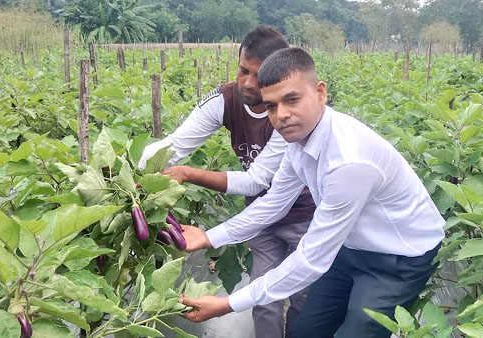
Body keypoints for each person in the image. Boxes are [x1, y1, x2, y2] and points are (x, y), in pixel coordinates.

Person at [177, 47, 446, 338]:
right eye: (271, 106)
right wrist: (209, 237)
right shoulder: (298, 142)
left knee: (357, 333)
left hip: (398, 258)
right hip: (350, 248)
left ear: (320, 92)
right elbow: (274, 204)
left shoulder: (348, 162)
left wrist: (228, 303)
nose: (282, 115)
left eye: (292, 99)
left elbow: (311, 260)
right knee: (307, 330)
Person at [137, 26, 314, 338]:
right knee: (264, 295)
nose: (246, 82)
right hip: (260, 218)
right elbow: (174, 146)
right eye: (242, 70)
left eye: (257, 76)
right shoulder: (223, 100)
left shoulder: (288, 113)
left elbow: (255, 181)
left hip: (305, 215)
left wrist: (189, 173)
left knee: (304, 298)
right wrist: (132, 169)